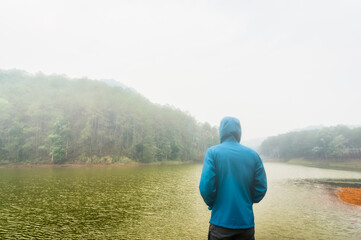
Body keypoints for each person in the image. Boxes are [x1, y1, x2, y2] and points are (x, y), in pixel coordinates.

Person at [199, 116, 267, 240]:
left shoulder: (213, 152)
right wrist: (245, 201)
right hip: (246, 225)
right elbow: (261, 188)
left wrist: (212, 203)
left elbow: (206, 187)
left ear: (221, 132)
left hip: (220, 224)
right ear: (239, 132)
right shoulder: (253, 155)